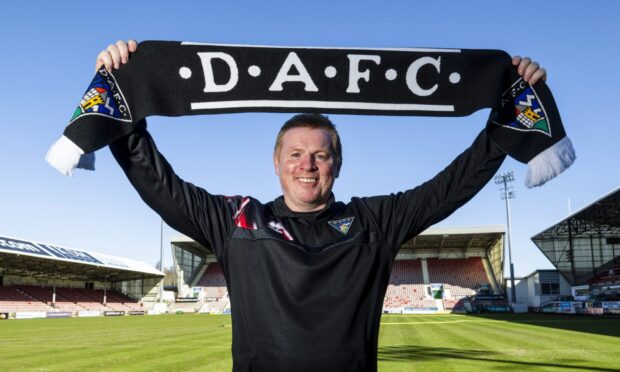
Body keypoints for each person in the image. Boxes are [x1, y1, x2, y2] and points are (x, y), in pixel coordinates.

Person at [98, 40, 546, 372]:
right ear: (276, 163)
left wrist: (510, 105)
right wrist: (124, 92)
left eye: (320, 154)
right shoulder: (237, 219)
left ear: (338, 164)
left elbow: (453, 185)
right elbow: (156, 181)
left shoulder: (375, 222)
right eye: (295, 154)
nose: (306, 165)